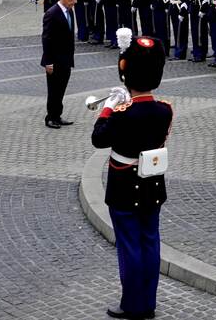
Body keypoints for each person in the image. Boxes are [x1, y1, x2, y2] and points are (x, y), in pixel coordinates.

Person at [91, 28, 171, 320]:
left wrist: (109, 108)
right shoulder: (165, 110)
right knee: (150, 241)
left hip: (125, 184)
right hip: (152, 184)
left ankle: (132, 304)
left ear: (127, 74)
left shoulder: (123, 113)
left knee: (129, 246)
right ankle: (147, 302)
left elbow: (99, 138)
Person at [41, 0, 78, 129]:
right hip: (54, 60)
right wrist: (48, 62)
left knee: (61, 89)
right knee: (54, 90)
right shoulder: (52, 13)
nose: (74, 1)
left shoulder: (69, 11)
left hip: (66, 59)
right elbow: (47, 39)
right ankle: (50, 117)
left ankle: (57, 115)